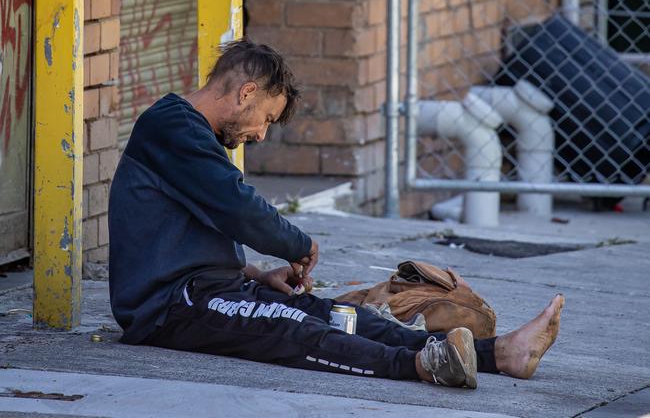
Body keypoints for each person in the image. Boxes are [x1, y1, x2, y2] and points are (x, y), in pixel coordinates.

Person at [108, 39, 564, 389]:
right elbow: (237, 209)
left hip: (209, 290)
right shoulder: (171, 127)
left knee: (339, 315)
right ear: (246, 92)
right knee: (293, 328)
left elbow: (195, 232)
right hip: (170, 306)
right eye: (266, 117)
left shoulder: (192, 136)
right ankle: (424, 366)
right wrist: (298, 245)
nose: (262, 134)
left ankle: (499, 354)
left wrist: (256, 273)